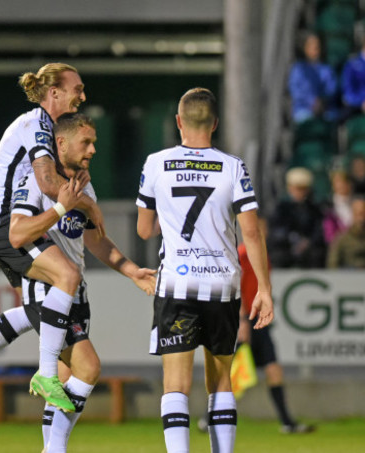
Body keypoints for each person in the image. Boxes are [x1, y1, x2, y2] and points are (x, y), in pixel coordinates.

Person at [0, 113, 155, 452]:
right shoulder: (35, 183)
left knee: (67, 382)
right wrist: (59, 208)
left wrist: (132, 271)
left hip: (73, 293)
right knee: (88, 367)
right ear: (62, 143)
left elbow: (96, 241)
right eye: (87, 142)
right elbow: (18, 232)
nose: (94, 149)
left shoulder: (84, 185)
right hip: (50, 288)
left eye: (95, 142)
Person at [136, 88, 273, 453]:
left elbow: (144, 229)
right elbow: (252, 232)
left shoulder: (155, 163)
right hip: (222, 285)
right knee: (221, 382)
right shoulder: (233, 166)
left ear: (178, 122)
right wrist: (264, 289)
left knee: (175, 385)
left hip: (178, 282)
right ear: (215, 124)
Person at [0, 63, 105, 412]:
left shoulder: (45, 128)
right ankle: (45, 374)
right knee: (67, 276)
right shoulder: (35, 124)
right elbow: (47, 183)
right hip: (4, 222)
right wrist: (89, 206)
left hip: (7, 223)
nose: (83, 96)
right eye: (77, 89)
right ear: (54, 92)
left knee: (37, 308)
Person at [200, 217, 315, 435]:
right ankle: (209, 419)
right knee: (230, 372)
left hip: (258, 320)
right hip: (242, 319)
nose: (259, 232)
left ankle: (287, 422)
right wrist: (242, 320)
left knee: (273, 369)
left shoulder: (263, 256)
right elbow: (236, 287)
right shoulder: (242, 254)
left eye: (262, 228)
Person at [268, 167, 326, 268]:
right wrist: (292, 239)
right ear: (289, 188)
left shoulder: (314, 210)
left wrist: (307, 242)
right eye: (297, 188)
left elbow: (318, 231)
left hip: (308, 250)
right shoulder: (281, 208)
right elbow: (276, 231)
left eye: (303, 188)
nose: (300, 192)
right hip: (286, 248)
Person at [288, 33, 339, 123]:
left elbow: (331, 89)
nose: (315, 49)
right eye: (311, 46)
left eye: (317, 46)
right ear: (305, 48)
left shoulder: (326, 69)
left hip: (324, 109)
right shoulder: (298, 69)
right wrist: (311, 102)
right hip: (303, 109)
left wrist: (322, 102)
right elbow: (295, 91)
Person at [326, 196, 365, 268]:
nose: (362, 218)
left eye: (364, 213)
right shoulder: (342, 239)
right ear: (353, 214)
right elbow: (333, 264)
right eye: (359, 214)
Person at [322, 170, 354, 245]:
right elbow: (329, 234)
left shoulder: (358, 203)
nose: (341, 185)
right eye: (337, 182)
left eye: (344, 182)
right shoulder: (328, 206)